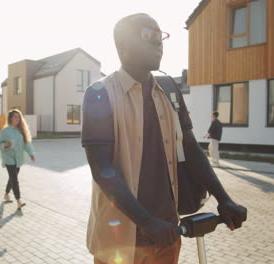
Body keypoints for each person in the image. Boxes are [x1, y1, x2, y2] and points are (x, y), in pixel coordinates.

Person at [81, 13, 247, 264]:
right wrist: (147, 222)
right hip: (120, 240)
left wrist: (224, 199)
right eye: (148, 35)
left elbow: (191, 149)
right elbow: (102, 169)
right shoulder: (100, 94)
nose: (158, 42)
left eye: (160, 36)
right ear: (122, 46)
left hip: (167, 233)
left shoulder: (169, 89)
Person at [0, 109, 35, 209]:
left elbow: (27, 143)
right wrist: (5, 144)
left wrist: (31, 154)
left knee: (12, 178)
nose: (18, 119)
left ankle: (6, 194)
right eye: (15, 117)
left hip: (18, 158)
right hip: (8, 158)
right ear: (10, 118)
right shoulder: (5, 131)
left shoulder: (21, 130)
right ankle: (18, 201)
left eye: (19, 117)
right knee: (15, 179)